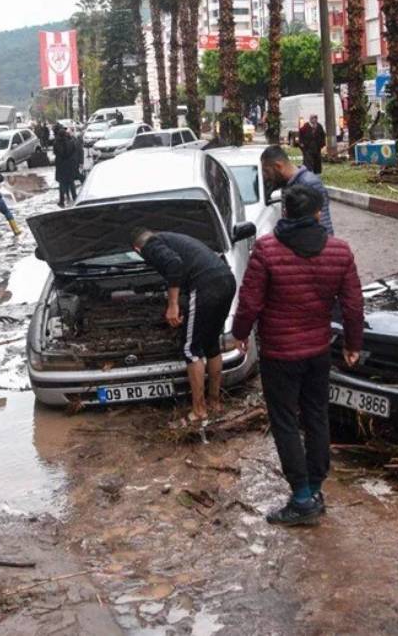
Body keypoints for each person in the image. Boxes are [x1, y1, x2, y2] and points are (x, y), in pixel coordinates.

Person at [231, 183, 364, 526]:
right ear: (319, 213)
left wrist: (240, 334)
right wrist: (353, 344)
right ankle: (315, 489)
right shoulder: (339, 251)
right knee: (317, 416)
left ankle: (302, 499)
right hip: (318, 351)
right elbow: (353, 305)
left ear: (286, 212)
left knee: (286, 422)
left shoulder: (267, 249)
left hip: (279, 353)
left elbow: (249, 301)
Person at [131, 228, 237, 424]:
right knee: (211, 344)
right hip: (226, 279)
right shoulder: (172, 239)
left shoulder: (151, 246)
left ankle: (199, 411)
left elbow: (174, 265)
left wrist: (172, 306)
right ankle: (214, 403)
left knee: (190, 349)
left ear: (137, 250)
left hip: (205, 285)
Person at [260, 144, 333, 235]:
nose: (266, 176)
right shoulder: (286, 183)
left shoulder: (309, 183)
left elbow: (324, 223)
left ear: (278, 166)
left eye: (267, 171)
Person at [52, 124, 78, 206]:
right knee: (71, 182)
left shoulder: (56, 143)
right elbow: (74, 152)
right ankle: (75, 198)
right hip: (69, 165)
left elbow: (55, 153)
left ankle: (62, 201)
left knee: (62, 184)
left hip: (61, 166)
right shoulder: (71, 142)